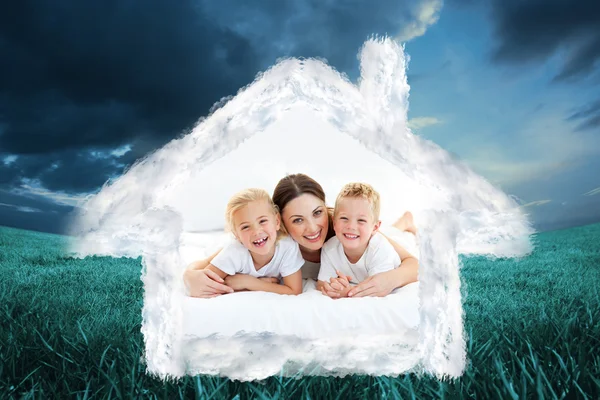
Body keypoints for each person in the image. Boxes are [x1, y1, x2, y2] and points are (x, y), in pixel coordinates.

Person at [183, 173, 419, 298]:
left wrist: (392, 279)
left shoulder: (344, 227)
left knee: (392, 234)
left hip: (373, 236)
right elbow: (199, 266)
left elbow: (413, 264)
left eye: (317, 213)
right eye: (297, 220)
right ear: (280, 224)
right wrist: (188, 276)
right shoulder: (271, 241)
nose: (313, 228)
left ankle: (404, 222)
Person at [199, 188, 304, 295]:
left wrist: (250, 283)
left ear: (277, 221)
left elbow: (294, 290)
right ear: (236, 235)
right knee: (209, 259)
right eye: (245, 227)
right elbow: (204, 285)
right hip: (221, 248)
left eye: (262, 221)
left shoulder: (287, 247)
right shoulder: (234, 252)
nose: (257, 232)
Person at [317, 182, 400, 298]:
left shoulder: (381, 250)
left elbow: (376, 289)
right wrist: (335, 287)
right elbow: (322, 284)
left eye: (361, 220)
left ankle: (405, 222)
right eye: (344, 218)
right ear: (334, 222)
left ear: (375, 227)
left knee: (400, 236)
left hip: (395, 247)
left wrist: (348, 291)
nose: (351, 226)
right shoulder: (329, 248)